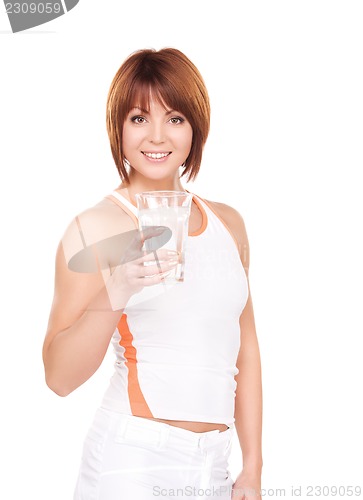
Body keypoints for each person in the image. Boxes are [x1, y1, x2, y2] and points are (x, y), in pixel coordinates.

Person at [42, 47, 263, 500]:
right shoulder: (96, 227)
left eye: (175, 118)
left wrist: (253, 464)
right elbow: (59, 377)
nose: (157, 136)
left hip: (215, 465)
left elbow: (246, 350)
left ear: (195, 127)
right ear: (118, 129)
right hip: (133, 461)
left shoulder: (230, 224)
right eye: (139, 119)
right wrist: (118, 287)